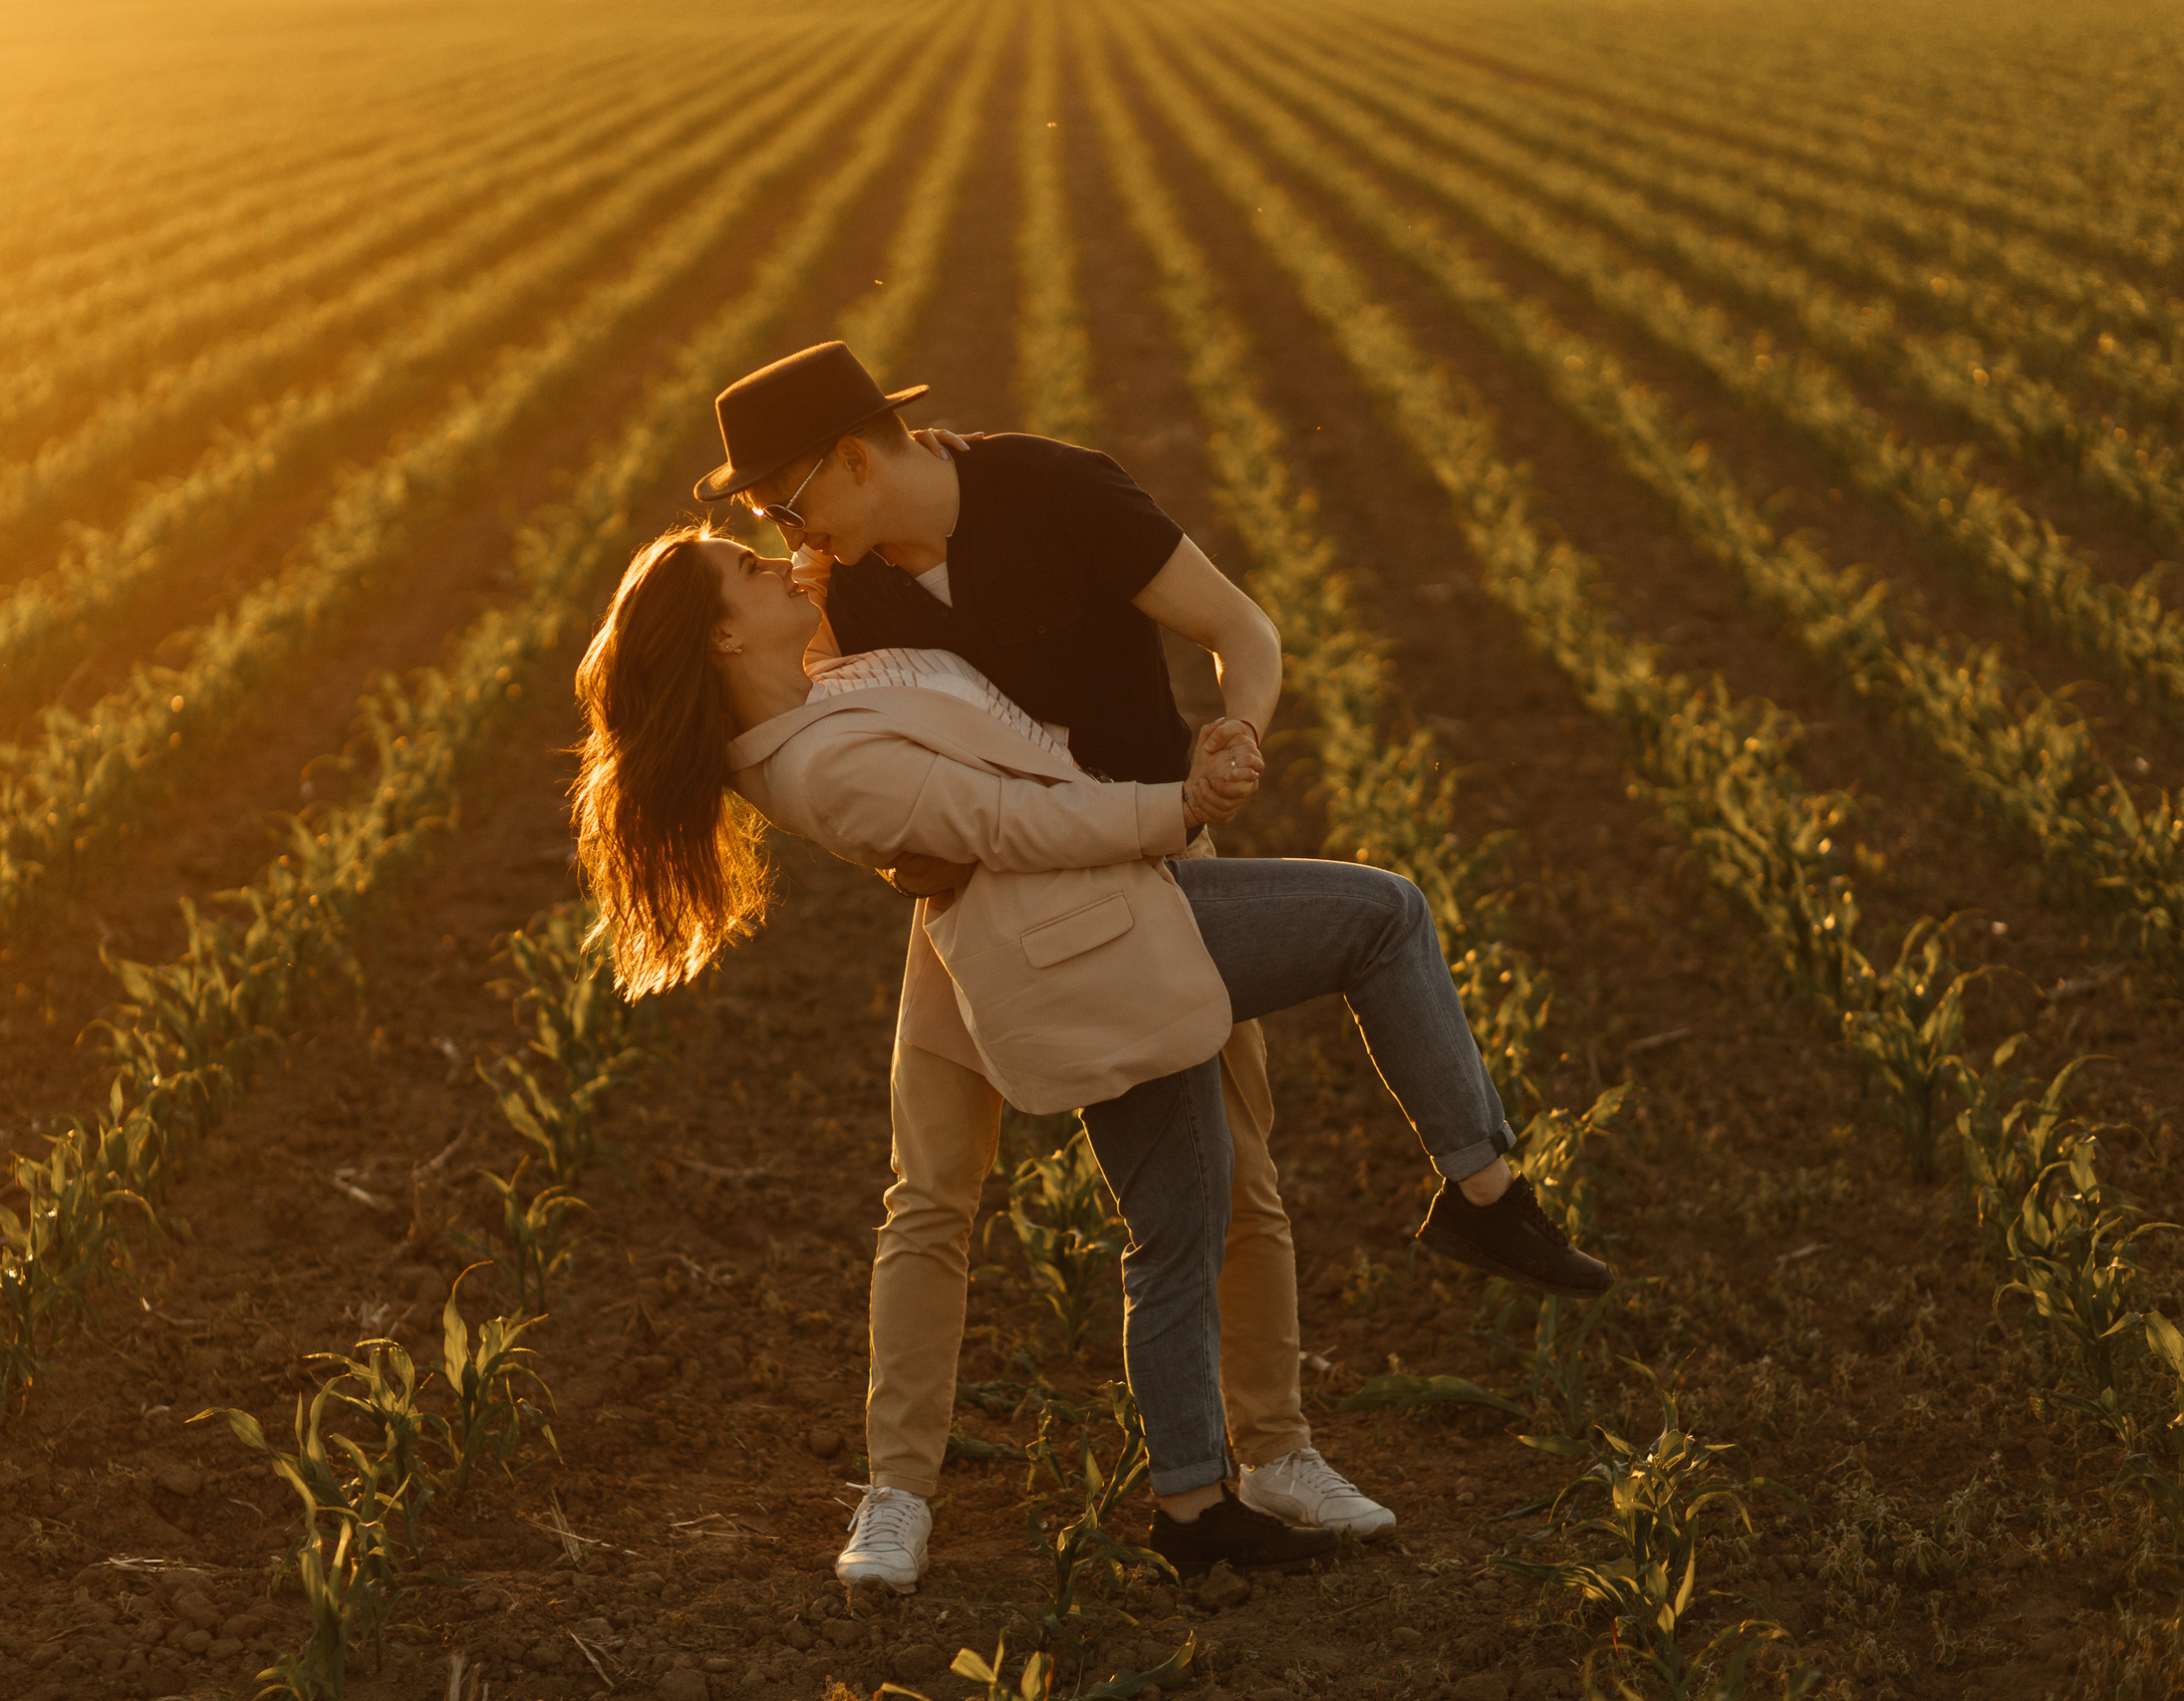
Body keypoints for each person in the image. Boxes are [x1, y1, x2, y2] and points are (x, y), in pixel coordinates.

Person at [678, 344, 1599, 1589]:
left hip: (1151, 872)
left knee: (1234, 1183)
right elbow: (849, 766)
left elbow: (1238, 629)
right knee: (933, 1194)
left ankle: (1271, 1457)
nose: (783, 533)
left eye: (783, 504)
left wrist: (1234, 744)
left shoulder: (1055, 490)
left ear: (853, 460)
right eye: (763, 525)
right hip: (979, 911)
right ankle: (896, 1494)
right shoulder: (844, 588)